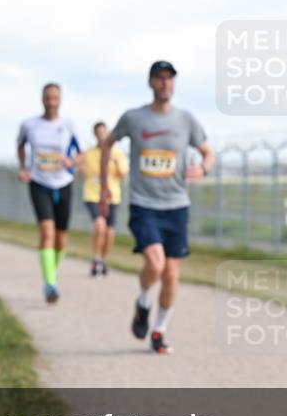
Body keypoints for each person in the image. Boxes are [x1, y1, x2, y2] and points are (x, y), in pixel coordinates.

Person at [97, 61, 215, 354]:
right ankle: (143, 302)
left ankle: (159, 330)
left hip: (176, 206)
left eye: (169, 78)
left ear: (174, 84)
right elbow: (107, 144)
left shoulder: (186, 120)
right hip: (143, 204)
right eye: (159, 78)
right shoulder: (134, 118)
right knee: (156, 264)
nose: (165, 83)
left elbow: (208, 153)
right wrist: (103, 183)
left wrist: (203, 169)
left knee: (172, 274)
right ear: (151, 83)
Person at [17, 83, 81, 304]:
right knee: (47, 231)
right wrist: (24, 168)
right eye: (47, 98)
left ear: (60, 100)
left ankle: (50, 274)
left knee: (61, 240)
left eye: (55, 98)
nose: (51, 102)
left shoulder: (69, 125)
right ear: (41, 99)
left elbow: (80, 155)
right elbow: (20, 146)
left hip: (63, 183)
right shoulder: (29, 125)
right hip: (39, 182)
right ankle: (50, 284)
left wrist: (70, 161)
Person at [78, 121, 128, 276]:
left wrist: (115, 162)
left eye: (103, 133)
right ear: (95, 135)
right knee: (100, 226)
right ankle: (96, 259)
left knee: (109, 232)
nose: (101, 136)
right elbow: (78, 167)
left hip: (111, 196)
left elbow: (123, 174)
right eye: (98, 133)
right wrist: (79, 167)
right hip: (92, 194)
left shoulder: (116, 152)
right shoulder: (89, 153)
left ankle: (102, 260)